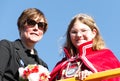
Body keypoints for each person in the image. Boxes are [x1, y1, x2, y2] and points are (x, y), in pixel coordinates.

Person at [50, 13, 120, 81]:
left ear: (93, 33)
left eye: (83, 31)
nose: (79, 35)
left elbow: (114, 78)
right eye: (74, 32)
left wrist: (93, 76)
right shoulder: (61, 63)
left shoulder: (105, 55)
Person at [0, 8, 48, 81]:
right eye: (31, 23)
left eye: (41, 25)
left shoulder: (43, 66)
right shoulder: (7, 47)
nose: (36, 28)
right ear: (21, 26)